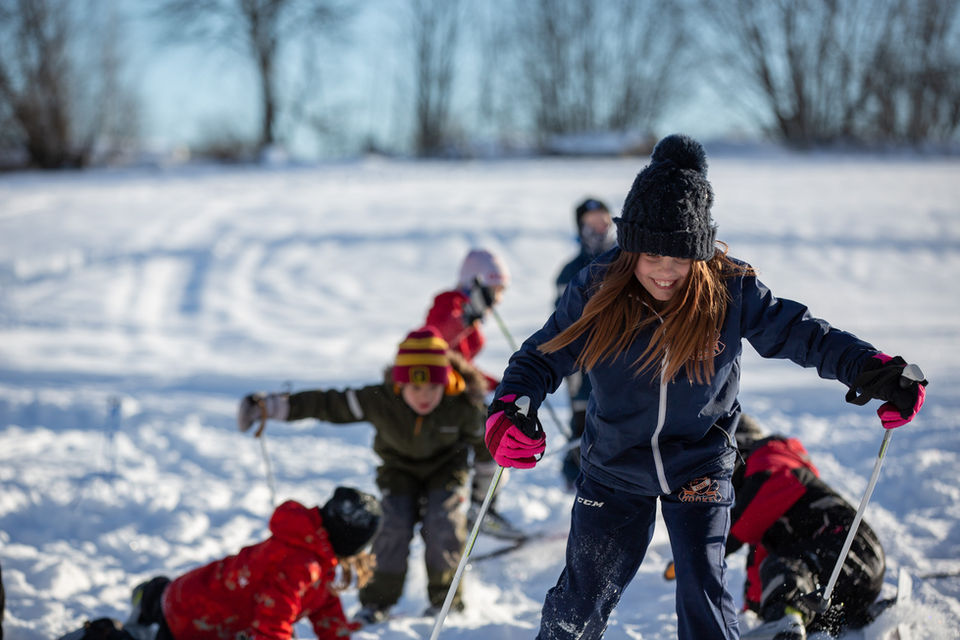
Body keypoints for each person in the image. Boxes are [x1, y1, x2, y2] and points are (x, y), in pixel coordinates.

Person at [482, 134, 927, 640]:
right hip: (614, 463)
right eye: (653, 254)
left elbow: (804, 335)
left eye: (681, 256)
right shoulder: (598, 286)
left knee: (703, 594)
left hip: (699, 462)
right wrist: (512, 407)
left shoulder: (729, 288)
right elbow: (542, 355)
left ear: (700, 252)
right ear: (631, 247)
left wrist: (872, 370)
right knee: (579, 604)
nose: (665, 271)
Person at [237, 326, 492, 623]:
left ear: (445, 384)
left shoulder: (463, 406)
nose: (424, 396)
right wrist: (272, 407)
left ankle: (446, 603)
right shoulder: (380, 400)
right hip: (398, 471)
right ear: (399, 385)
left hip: (446, 471)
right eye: (415, 388)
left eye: (432, 388)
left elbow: (487, 451)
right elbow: (329, 404)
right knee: (392, 525)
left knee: (443, 524)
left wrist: (482, 498)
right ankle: (377, 601)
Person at [110, 487, 381, 640]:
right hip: (194, 619)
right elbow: (272, 626)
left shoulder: (317, 555)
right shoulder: (300, 565)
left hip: (201, 598)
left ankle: (153, 596)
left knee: (169, 598)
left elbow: (326, 612)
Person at [726, 414, 886, 639]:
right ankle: (860, 619)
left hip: (849, 547)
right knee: (795, 587)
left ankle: (785, 623)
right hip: (845, 572)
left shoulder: (770, 462)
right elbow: (759, 562)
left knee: (784, 569)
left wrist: (693, 555)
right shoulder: (770, 512)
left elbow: (735, 526)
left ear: (738, 450)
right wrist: (753, 610)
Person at [423, 248, 524, 540]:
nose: (498, 299)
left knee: (495, 440)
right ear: (477, 282)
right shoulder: (449, 303)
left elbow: (462, 362)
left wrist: (500, 383)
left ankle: (483, 508)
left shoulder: (472, 312)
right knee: (493, 440)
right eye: (495, 290)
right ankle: (480, 510)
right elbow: (436, 339)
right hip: (442, 399)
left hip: (461, 396)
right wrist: (466, 317)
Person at [554, 197, 617, 488]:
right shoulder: (571, 272)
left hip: (621, 358)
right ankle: (576, 477)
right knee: (583, 421)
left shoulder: (628, 262)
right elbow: (562, 319)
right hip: (583, 362)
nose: (599, 227)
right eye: (590, 222)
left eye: (603, 219)